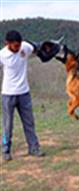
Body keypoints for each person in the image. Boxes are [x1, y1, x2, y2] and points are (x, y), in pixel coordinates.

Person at [0, 30, 46, 161]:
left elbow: (38, 48)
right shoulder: (2, 55)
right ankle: (6, 150)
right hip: (8, 94)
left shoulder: (25, 47)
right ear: (7, 43)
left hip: (24, 93)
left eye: (19, 45)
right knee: (8, 124)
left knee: (29, 123)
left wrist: (46, 50)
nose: (18, 48)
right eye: (15, 46)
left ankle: (34, 148)